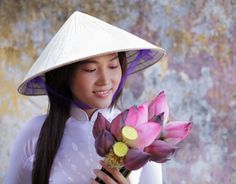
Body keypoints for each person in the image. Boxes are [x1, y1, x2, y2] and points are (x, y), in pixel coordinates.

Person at [5, 11, 165, 184]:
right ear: (65, 76)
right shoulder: (36, 131)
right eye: (90, 69)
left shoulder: (142, 132)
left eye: (113, 65)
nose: (105, 80)